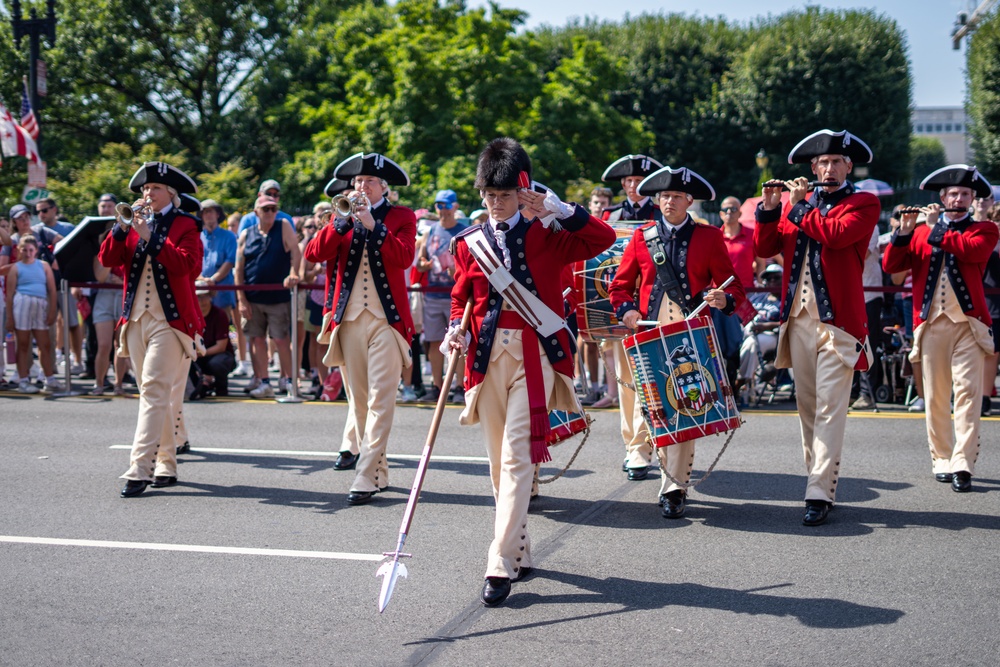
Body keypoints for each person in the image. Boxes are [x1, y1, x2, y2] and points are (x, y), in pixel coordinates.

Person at [445, 137, 615, 606]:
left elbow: (604, 239)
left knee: (518, 458)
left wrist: (559, 208)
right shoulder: (468, 245)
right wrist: (455, 332)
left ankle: (498, 563)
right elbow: (463, 299)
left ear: (521, 192)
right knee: (499, 467)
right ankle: (518, 548)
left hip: (534, 358)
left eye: (502, 195)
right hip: (486, 359)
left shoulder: (549, 234)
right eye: (488, 196)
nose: (494, 204)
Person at [754, 129, 880, 526]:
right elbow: (763, 247)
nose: (829, 168)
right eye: (822, 163)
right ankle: (819, 480)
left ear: (848, 167)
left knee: (829, 406)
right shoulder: (799, 205)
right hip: (799, 318)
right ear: (812, 167)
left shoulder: (864, 203)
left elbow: (836, 235)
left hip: (839, 322)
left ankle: (818, 491)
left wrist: (797, 206)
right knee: (806, 405)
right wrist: (771, 208)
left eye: (836, 162)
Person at [609, 165, 746, 519]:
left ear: (689, 201)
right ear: (657, 199)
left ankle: (674, 485)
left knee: (687, 405)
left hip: (691, 336)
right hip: (649, 334)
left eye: (676, 196)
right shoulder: (641, 237)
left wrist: (721, 298)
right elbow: (620, 286)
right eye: (664, 196)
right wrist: (626, 311)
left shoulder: (710, 237)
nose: (669, 201)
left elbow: (734, 287)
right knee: (654, 409)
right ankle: (667, 472)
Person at [303, 152, 416, 505]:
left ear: (384, 187)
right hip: (349, 319)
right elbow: (313, 254)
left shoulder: (401, 216)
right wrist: (339, 222)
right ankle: (379, 470)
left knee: (382, 397)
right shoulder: (340, 216)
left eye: (368, 182)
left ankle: (365, 475)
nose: (360, 187)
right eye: (357, 182)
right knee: (360, 402)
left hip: (387, 320)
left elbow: (404, 257)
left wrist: (372, 224)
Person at [883, 165, 998, 493]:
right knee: (935, 395)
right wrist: (904, 232)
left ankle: (963, 461)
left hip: (969, 325)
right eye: (952, 194)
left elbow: (972, 251)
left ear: (972, 197)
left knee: (968, 393)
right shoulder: (920, 230)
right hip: (931, 323)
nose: (958, 198)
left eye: (964, 194)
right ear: (942, 198)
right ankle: (942, 458)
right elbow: (892, 267)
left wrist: (934, 229)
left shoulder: (985, 229)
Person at [98, 161, 204, 498]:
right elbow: (107, 260)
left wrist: (150, 236)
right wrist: (119, 228)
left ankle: (139, 466)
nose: (147, 194)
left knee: (156, 389)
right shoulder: (133, 222)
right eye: (145, 189)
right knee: (152, 394)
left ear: (171, 194)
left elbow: (187, 265)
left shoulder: (187, 224)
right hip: (136, 320)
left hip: (170, 322)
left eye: (154, 189)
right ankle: (167, 463)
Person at [595, 154, 664, 476]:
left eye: (640, 182)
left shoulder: (659, 214)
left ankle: (660, 442)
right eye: (629, 182)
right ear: (623, 184)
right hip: (620, 308)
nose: (634, 186)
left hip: (657, 307)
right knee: (627, 384)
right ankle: (636, 447)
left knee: (658, 379)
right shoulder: (611, 216)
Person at [234, 194, 302, 399]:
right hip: (253, 297)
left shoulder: (283, 226)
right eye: (266, 209)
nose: (271, 213)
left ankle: (289, 381)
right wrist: (241, 299)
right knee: (256, 340)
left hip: (278, 297)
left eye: (273, 209)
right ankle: (263, 381)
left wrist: (293, 273)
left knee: (281, 340)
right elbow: (239, 268)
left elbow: (296, 254)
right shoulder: (247, 234)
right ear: (256, 212)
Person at [415, 189, 467, 402]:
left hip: (457, 296)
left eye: (446, 205)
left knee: (459, 342)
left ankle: (459, 386)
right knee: (435, 342)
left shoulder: (464, 231)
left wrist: (456, 270)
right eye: (438, 205)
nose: (442, 210)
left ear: (455, 206)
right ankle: (437, 386)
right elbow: (419, 261)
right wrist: (424, 265)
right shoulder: (430, 231)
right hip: (434, 295)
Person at [5, 235, 58, 394]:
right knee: (23, 344)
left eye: (31, 250)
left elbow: (52, 290)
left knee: (45, 344)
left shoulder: (44, 266)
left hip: (40, 303)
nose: (28, 253)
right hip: (22, 303)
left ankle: (49, 379)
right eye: (25, 250)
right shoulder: (16, 268)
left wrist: (52, 310)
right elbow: (10, 294)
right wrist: (10, 317)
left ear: (35, 251)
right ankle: (23, 380)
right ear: (20, 251)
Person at [89, 229, 127, 395]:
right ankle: (99, 384)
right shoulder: (100, 255)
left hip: (123, 297)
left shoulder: (129, 253)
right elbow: (101, 277)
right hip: (104, 298)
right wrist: (111, 252)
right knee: (103, 345)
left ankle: (119, 384)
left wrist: (120, 280)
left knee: (121, 345)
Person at [737, 263, 783, 395]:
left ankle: (743, 380)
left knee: (752, 343)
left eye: (776, 278)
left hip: (771, 335)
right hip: (747, 331)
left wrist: (766, 326)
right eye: (769, 279)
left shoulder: (786, 300)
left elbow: (792, 323)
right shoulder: (758, 296)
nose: (772, 281)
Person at [973, 194, 999, 416]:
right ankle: (983, 399)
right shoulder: (986, 235)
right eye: (995, 219)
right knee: (990, 352)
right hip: (991, 301)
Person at [192, 281, 237, 396]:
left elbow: (221, 346)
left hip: (217, 354)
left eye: (204, 296)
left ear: (210, 296)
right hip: (197, 354)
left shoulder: (220, 314)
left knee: (217, 364)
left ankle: (221, 386)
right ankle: (198, 384)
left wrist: (199, 354)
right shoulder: (191, 315)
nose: (201, 301)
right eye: (198, 297)